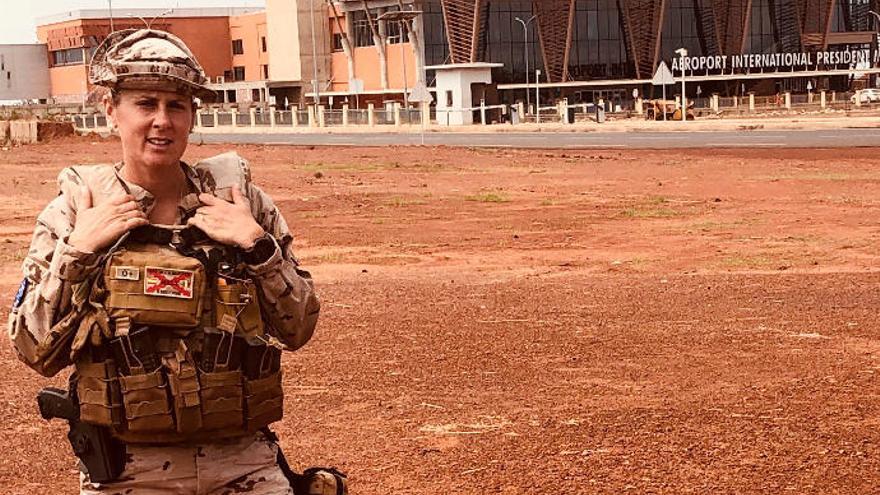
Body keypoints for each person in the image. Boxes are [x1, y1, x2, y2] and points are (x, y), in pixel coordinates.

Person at [7, 29, 344, 495]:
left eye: (177, 106)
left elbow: (298, 328)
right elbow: (32, 348)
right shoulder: (75, 212)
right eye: (146, 104)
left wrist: (257, 246)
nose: (162, 121)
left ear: (192, 115)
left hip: (244, 462)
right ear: (111, 110)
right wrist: (77, 253)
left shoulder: (240, 202)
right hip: (130, 471)